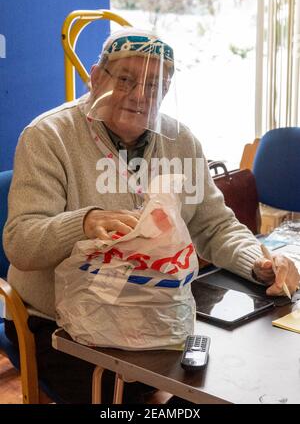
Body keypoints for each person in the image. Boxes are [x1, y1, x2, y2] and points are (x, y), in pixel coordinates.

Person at [3, 28, 299, 404]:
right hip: (57, 324)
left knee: (235, 378)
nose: (140, 96)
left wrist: (260, 262)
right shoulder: (49, 137)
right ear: (96, 77)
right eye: (125, 79)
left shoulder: (180, 140)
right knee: (120, 399)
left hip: (151, 312)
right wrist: (84, 222)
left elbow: (214, 224)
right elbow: (21, 243)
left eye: (155, 85)